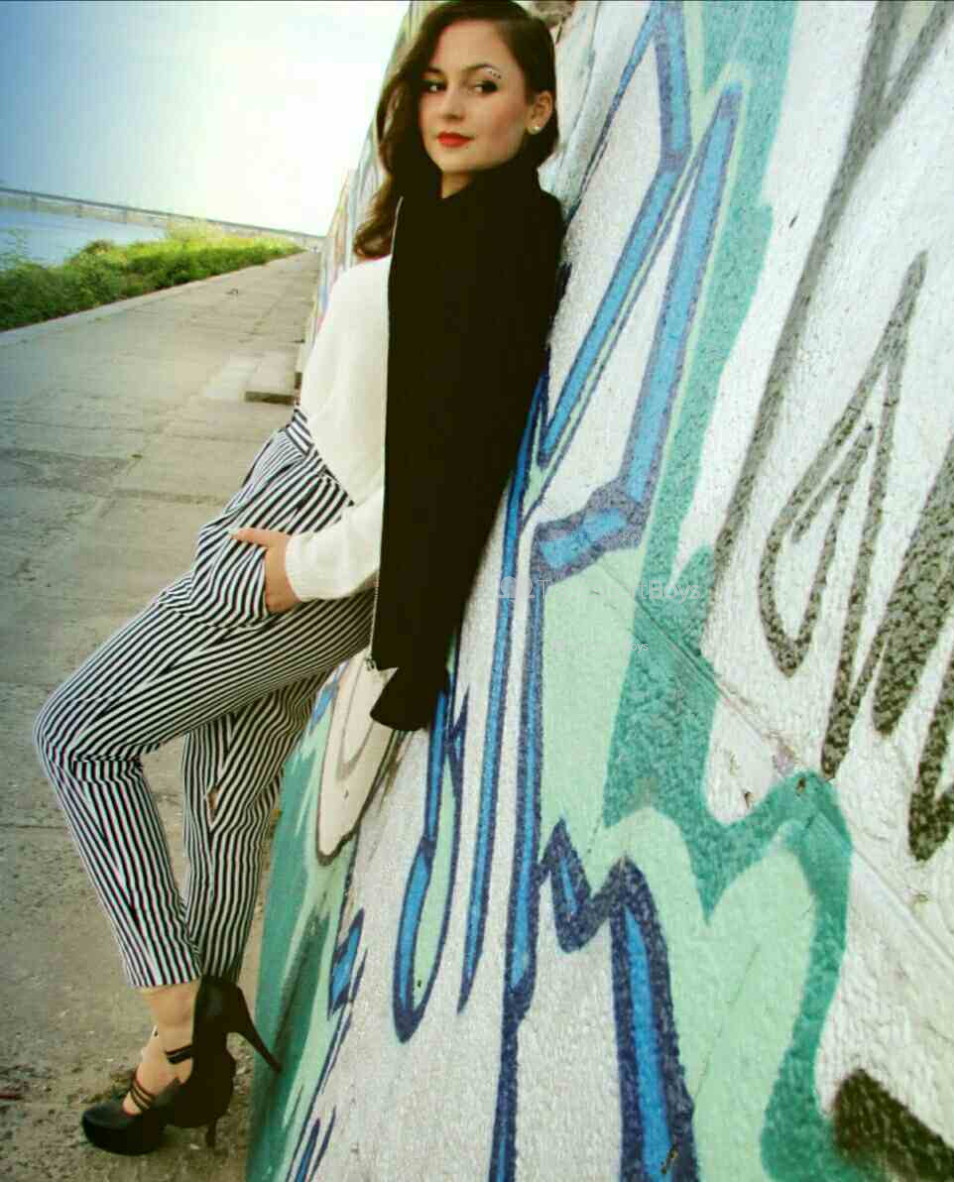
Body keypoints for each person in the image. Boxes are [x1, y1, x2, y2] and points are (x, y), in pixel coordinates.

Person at [31, 0, 564, 1156]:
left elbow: (449, 472)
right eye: (435, 82)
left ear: (538, 108)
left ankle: (175, 1026)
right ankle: (204, 1058)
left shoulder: (498, 244)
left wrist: (299, 567)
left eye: (483, 85)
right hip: (304, 530)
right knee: (225, 789)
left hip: (313, 547)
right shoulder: (450, 218)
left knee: (75, 735)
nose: (451, 106)